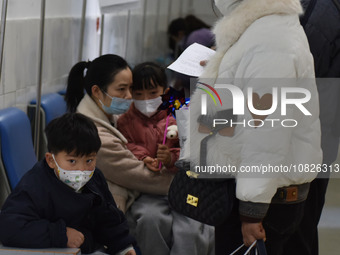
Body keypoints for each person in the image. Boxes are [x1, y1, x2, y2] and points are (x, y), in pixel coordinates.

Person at [183, 0, 322, 254]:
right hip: (262, 192)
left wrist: (252, 210)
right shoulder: (264, 28)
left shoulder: (270, 41)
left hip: (266, 201)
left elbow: (267, 132)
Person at [65, 54, 215, 255]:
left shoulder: (118, 115)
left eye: (129, 88)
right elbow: (138, 173)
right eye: (123, 90)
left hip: (159, 186)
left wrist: (173, 158)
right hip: (128, 198)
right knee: (151, 219)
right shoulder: (94, 134)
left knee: (192, 227)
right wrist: (150, 159)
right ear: (97, 92)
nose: (130, 97)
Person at [0, 113, 136, 255]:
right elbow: (10, 227)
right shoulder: (34, 185)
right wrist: (61, 234)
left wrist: (123, 246)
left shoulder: (94, 178)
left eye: (89, 160)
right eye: (72, 161)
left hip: (89, 246)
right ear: (51, 160)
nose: (82, 170)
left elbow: (108, 217)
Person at [284, 0, 340, 254]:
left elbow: (298, 72)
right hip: (318, 129)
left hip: (304, 132)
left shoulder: (319, 14)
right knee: (302, 219)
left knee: (294, 220)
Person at [117, 62, 180, 173]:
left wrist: (171, 158)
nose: (146, 99)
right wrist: (144, 158)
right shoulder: (124, 122)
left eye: (153, 93)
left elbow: (189, 151)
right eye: (139, 94)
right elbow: (127, 146)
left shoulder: (177, 119)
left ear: (166, 92)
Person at [168, 15, 215, 97]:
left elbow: (193, 67)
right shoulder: (197, 35)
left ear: (179, 34)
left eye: (174, 38)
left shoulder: (194, 38)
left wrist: (178, 82)